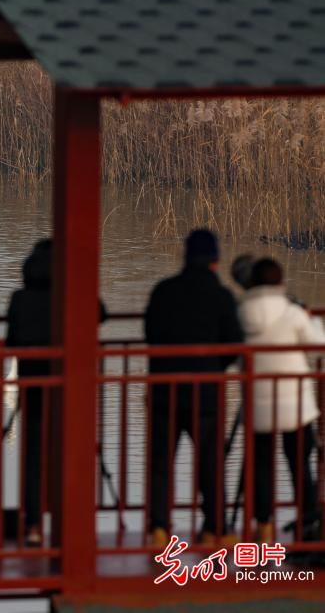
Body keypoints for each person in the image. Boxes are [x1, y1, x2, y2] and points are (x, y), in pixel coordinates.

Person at [145, 229, 244, 547]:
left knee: (161, 462)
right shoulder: (222, 297)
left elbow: (151, 335)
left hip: (165, 391)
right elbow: (234, 344)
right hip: (206, 394)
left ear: (185, 257)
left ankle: (158, 528)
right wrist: (215, 368)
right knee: (211, 462)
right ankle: (213, 527)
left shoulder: (164, 291)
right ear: (216, 261)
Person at [6, 238, 105, 546]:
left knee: (33, 456)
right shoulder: (71, 296)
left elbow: (12, 342)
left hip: (34, 387)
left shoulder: (20, 299)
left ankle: (34, 524)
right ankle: (76, 523)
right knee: (74, 452)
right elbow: (101, 314)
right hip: (71, 388)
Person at [238, 258, 322, 543]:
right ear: (279, 282)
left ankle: (263, 524)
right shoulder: (291, 311)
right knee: (300, 462)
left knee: (261, 464)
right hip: (295, 404)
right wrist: (308, 316)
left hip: (258, 403)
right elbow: (317, 341)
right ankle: (308, 519)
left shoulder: (241, 312)